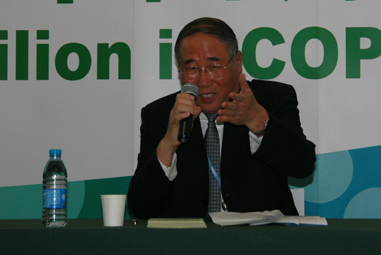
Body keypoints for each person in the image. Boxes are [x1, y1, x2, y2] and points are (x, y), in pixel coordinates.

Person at [127, 17, 316, 219]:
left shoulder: (271, 100)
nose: (203, 80)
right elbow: (140, 208)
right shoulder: (160, 115)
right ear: (180, 69)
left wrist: (258, 120)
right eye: (192, 68)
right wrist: (168, 144)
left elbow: (303, 166)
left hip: (260, 242)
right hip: (188, 245)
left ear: (238, 62)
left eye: (214, 67)